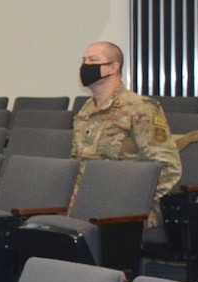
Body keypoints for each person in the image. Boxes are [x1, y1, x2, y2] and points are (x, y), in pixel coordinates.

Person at [75, 41, 181, 202]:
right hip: (87, 202)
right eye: (84, 61)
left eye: (93, 60)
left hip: (126, 208)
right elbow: (78, 163)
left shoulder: (140, 108)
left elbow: (168, 168)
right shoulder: (86, 110)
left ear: (113, 67)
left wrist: (132, 200)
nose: (86, 66)